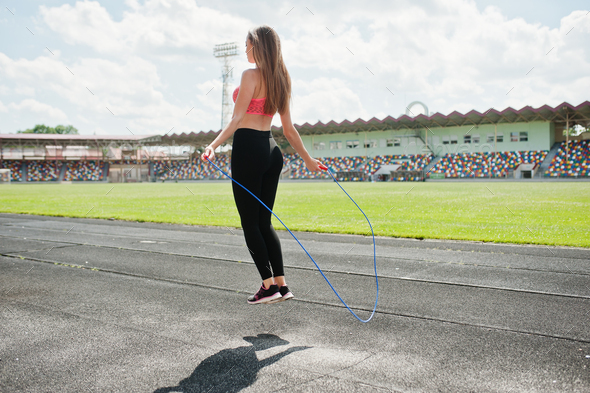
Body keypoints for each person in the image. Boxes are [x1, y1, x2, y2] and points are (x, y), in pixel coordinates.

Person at [201, 25, 325, 304]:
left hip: (248, 149)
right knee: (264, 222)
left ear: (257, 46)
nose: (245, 50)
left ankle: (267, 286)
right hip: (272, 152)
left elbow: (235, 121)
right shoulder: (283, 78)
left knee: (250, 223)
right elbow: (289, 130)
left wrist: (213, 145)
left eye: (247, 45)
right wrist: (308, 160)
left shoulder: (250, 75)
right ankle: (281, 285)